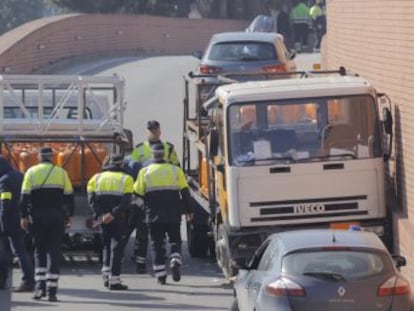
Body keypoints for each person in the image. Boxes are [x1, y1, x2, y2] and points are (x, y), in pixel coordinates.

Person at [133, 143, 193, 285]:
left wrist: (143, 209)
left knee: (156, 245)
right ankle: (175, 259)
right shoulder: (175, 170)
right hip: (173, 214)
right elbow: (185, 192)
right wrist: (189, 211)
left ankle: (161, 275)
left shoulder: (145, 172)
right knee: (175, 240)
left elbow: (136, 196)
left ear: (152, 155)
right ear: (165, 155)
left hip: (153, 215)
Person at [20, 147, 74, 302]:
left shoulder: (31, 172)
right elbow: (69, 196)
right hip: (56, 217)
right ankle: (52, 292)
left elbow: (24, 197)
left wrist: (23, 216)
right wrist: (69, 215)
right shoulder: (61, 173)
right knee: (54, 252)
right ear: (52, 157)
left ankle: (39, 289)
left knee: (39, 252)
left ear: (38, 157)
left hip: (37, 217)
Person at [129, 120, 180, 272]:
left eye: (155, 129)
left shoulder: (169, 148)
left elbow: (177, 168)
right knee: (142, 228)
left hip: (164, 193)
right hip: (144, 192)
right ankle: (140, 260)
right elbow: (131, 169)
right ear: (146, 131)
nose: (152, 132)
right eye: (150, 130)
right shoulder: (139, 149)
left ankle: (160, 257)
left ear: (160, 131)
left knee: (160, 229)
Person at [87, 153, 134, 290]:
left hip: (102, 219)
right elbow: (126, 202)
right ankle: (114, 280)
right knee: (117, 248)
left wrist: (102, 215)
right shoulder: (127, 179)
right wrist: (112, 214)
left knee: (106, 246)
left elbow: (92, 201)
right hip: (118, 218)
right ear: (121, 164)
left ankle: (106, 276)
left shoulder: (95, 178)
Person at [0, 156, 35, 292]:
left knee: (7, 252)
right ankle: (29, 280)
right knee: (21, 251)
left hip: (8, 221)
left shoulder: (4, 181)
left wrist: (3, 223)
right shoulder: (20, 176)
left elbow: (5, 203)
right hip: (20, 219)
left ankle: (25, 281)